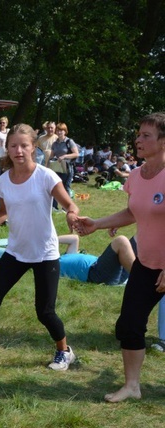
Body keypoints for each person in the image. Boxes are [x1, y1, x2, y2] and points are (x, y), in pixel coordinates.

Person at [0, 123, 80, 374]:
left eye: (24, 145)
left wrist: (72, 214)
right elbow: (3, 213)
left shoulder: (46, 176)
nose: (18, 150)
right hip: (16, 252)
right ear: (7, 148)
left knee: (44, 311)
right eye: (13, 145)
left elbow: (70, 205)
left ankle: (64, 351)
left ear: (33, 147)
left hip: (45, 253)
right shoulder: (4, 180)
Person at [75, 112, 165, 402]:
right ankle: (132, 386)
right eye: (138, 134)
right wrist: (97, 223)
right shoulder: (137, 175)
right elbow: (132, 212)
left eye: (146, 135)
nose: (138, 140)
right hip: (147, 264)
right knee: (129, 325)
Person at [57, 233, 135, 286]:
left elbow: (75, 238)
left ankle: (142, 274)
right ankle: (140, 278)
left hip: (110, 270)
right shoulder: (54, 266)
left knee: (139, 236)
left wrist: (52, 240)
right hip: (96, 273)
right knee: (121, 241)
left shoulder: (66, 255)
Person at [50, 122, 79, 201]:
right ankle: (55, 207)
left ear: (65, 131)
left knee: (66, 186)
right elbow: (51, 156)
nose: (59, 132)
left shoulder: (69, 141)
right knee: (56, 186)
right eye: (58, 130)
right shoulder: (54, 143)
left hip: (67, 167)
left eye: (61, 130)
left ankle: (67, 207)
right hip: (57, 167)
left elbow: (76, 154)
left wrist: (65, 156)